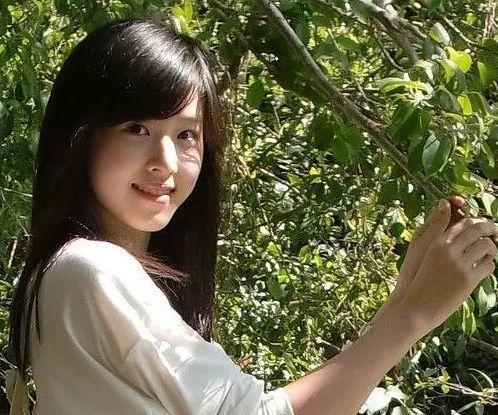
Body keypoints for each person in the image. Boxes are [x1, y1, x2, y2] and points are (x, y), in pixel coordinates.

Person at [6, 15, 498, 415]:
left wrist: (406, 297)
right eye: (137, 128)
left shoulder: (68, 276)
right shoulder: (93, 269)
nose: (166, 161)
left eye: (187, 134)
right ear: (82, 136)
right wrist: (412, 315)